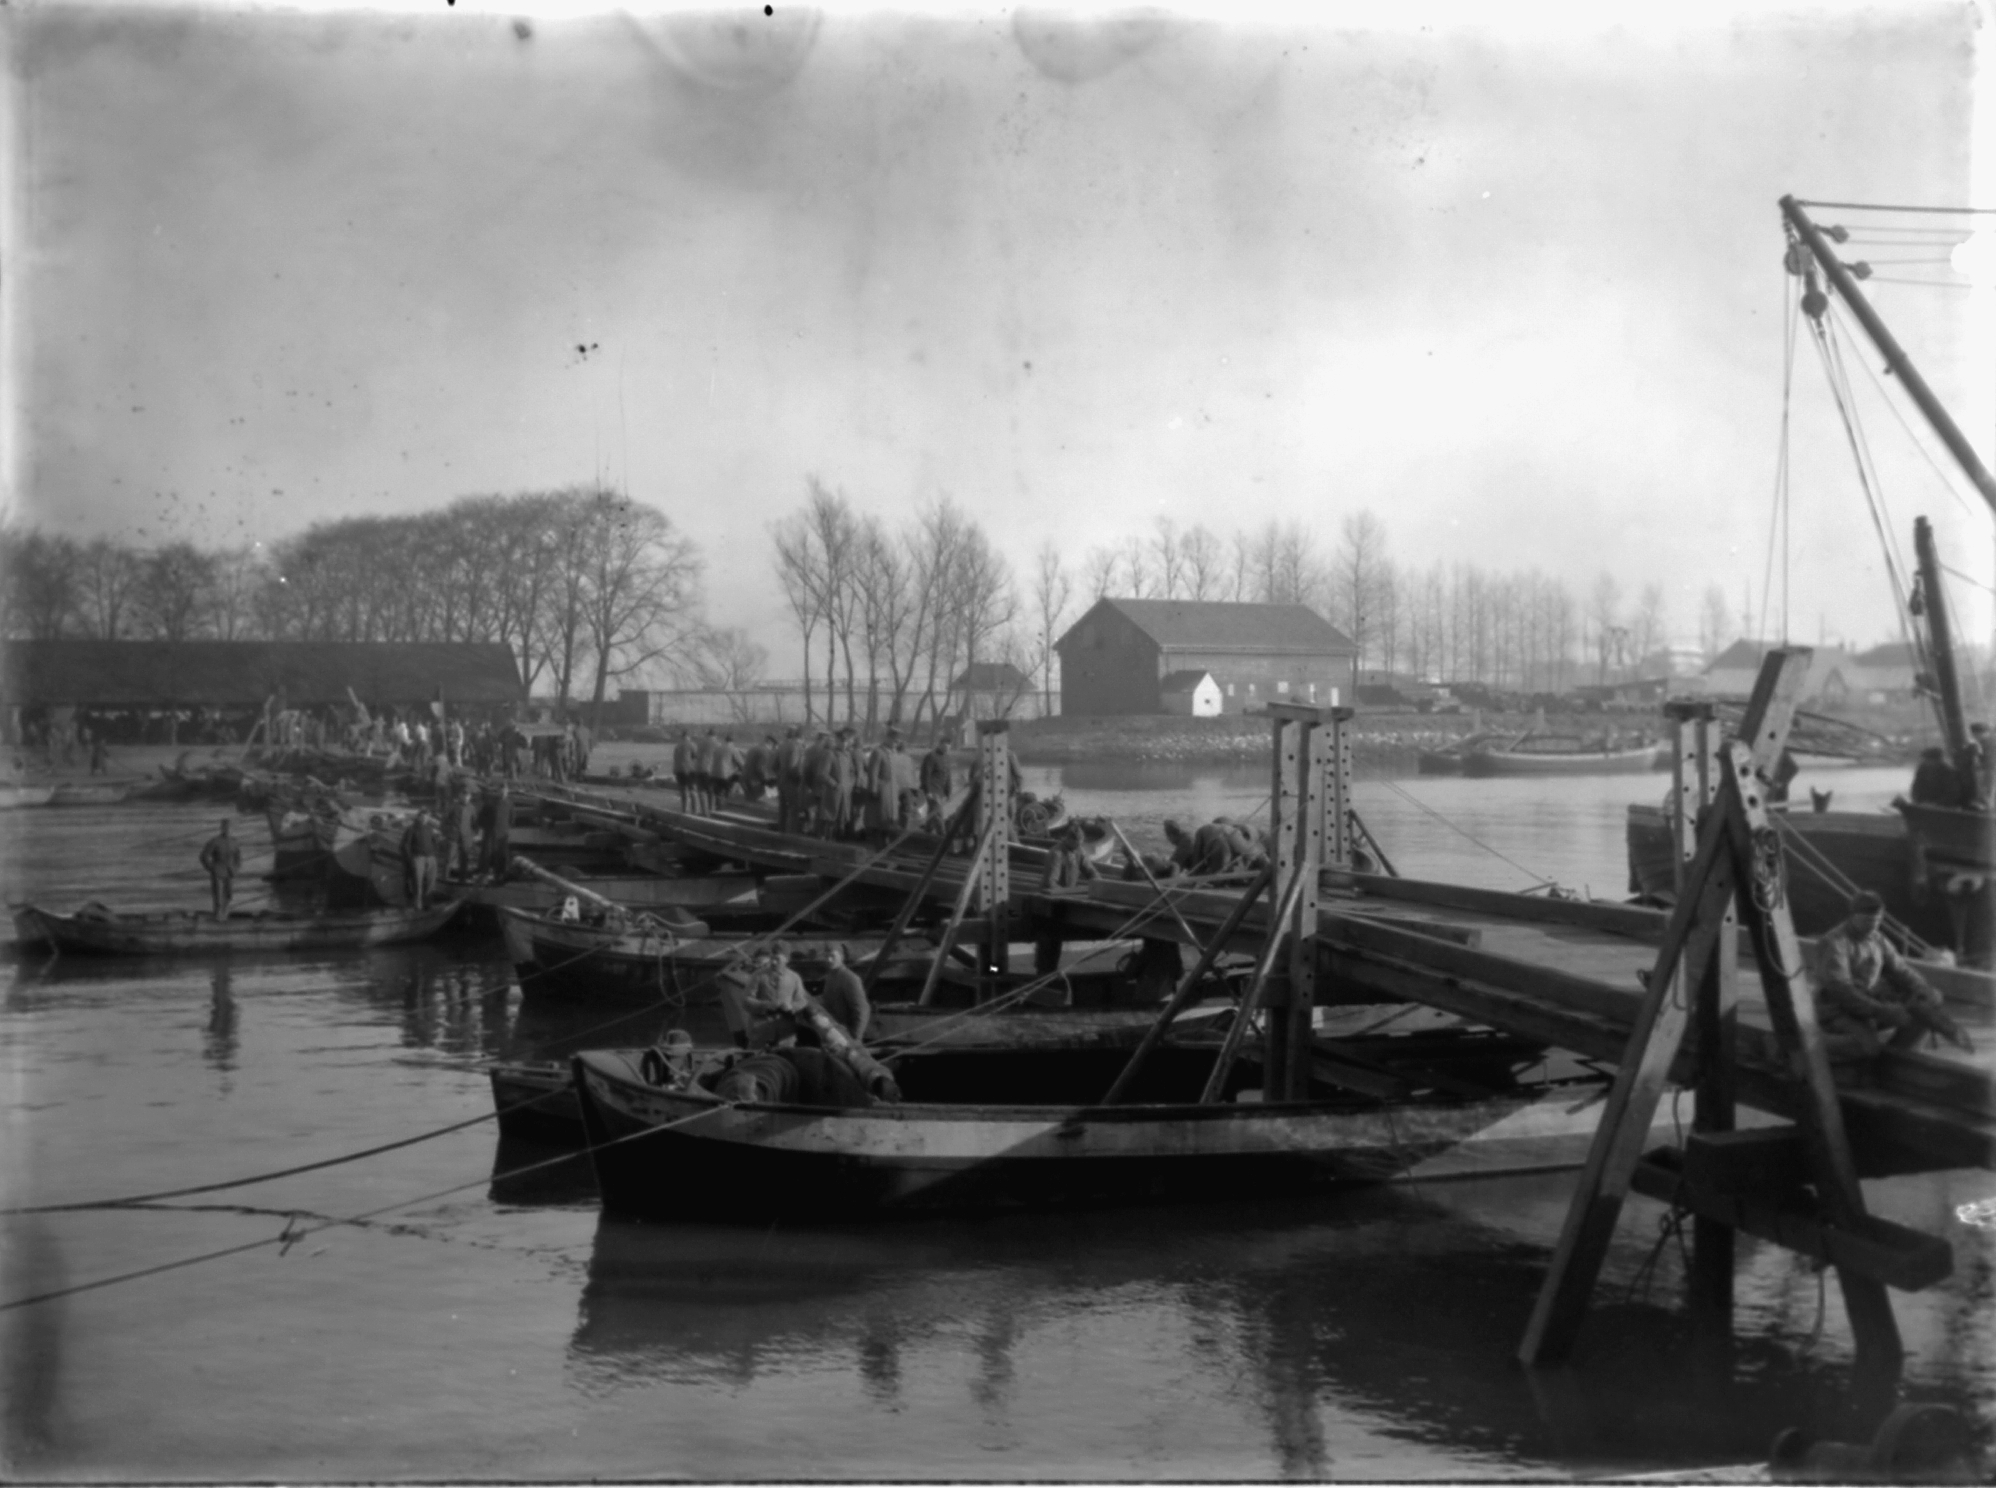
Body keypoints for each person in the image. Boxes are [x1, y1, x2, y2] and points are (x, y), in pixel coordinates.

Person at [1815, 891, 1973, 1056]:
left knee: (1923, 1013)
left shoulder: (1877, 939)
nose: (1873, 926)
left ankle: (1898, 1056)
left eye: (1877, 921)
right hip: (1837, 1009)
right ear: (1854, 916)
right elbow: (1841, 990)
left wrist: (1922, 988)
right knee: (1866, 1046)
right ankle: (1821, 1046)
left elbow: (1901, 970)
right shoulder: (1835, 943)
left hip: (1868, 1002)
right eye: (1868, 921)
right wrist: (1881, 1011)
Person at [816, 942, 872, 1042]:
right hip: (836, 1032)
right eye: (826, 956)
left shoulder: (849, 978)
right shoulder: (830, 977)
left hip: (846, 1034)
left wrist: (856, 1038)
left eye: (832, 956)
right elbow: (828, 1000)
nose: (829, 960)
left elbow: (862, 1010)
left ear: (841, 957)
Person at [198, 818, 241, 917]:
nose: (227, 830)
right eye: (225, 827)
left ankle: (225, 914)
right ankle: (217, 916)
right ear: (222, 828)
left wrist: (236, 868)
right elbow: (204, 856)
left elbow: (238, 857)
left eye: (229, 828)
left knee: (229, 896)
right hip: (218, 872)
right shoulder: (215, 841)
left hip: (230, 872)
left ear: (232, 829)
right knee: (218, 898)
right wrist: (211, 868)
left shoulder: (234, 842)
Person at [402, 809, 440, 910]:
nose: (424, 818)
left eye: (427, 816)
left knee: (431, 882)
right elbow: (406, 845)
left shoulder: (430, 828)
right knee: (417, 882)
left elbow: (435, 841)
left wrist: (434, 853)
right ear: (418, 817)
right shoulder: (411, 829)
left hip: (431, 857)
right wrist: (410, 858)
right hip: (418, 857)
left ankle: (428, 904)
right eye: (422, 816)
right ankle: (417, 905)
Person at [1041, 824, 1099, 891]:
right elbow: (1050, 882)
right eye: (1076, 844)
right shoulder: (1057, 854)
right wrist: (1066, 892)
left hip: (1068, 891)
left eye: (1079, 844)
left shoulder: (1079, 851)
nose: (1078, 847)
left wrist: (1098, 883)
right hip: (1050, 894)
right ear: (1068, 839)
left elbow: (1091, 872)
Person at [774, 726, 807, 833]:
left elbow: (774, 765)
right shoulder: (797, 747)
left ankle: (780, 833)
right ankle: (791, 835)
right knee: (794, 809)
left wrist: (780, 775)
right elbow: (793, 767)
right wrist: (799, 780)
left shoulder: (782, 746)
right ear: (802, 737)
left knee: (782, 810)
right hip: (792, 783)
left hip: (781, 782)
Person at [481, 782, 512, 879]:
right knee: (488, 852)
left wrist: (506, 828)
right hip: (492, 832)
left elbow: (512, 817)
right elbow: (483, 816)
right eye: (501, 790)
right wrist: (487, 827)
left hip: (503, 833)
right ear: (498, 791)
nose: (503, 792)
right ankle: (486, 873)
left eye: (505, 790)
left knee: (502, 854)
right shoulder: (491, 803)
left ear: (507, 791)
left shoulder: (509, 803)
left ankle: (501, 874)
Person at [672, 730, 697, 812]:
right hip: (689, 770)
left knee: (683, 790)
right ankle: (694, 810)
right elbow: (696, 756)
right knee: (692, 790)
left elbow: (675, 758)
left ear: (682, 736)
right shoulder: (691, 745)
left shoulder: (677, 746)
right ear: (689, 736)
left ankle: (684, 809)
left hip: (678, 770)